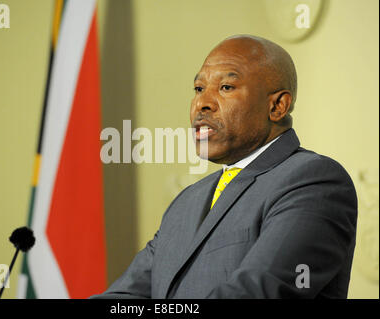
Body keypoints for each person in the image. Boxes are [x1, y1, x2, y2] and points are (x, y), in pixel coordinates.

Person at [90, 35, 358, 299]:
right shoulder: (187, 201)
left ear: (277, 106)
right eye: (198, 89)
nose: (202, 103)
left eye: (226, 87)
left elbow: (258, 292)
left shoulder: (314, 181)